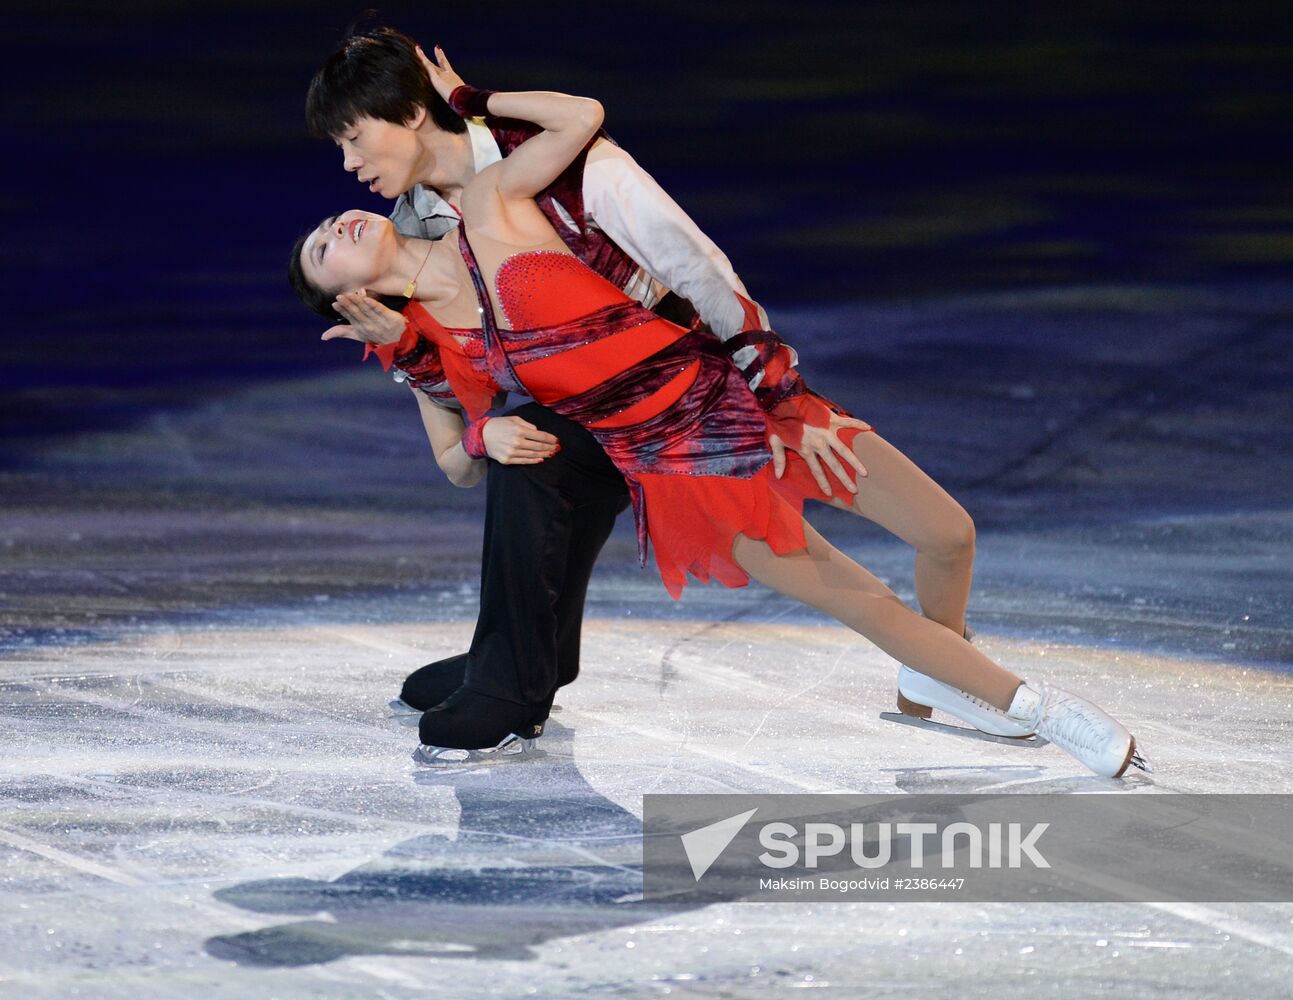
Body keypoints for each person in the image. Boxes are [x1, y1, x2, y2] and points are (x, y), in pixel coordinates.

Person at [290, 49, 1150, 778]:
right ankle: (1046, 713)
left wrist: (471, 98)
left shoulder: (487, 202)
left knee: (947, 531)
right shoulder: (425, 320)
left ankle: (940, 675)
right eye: (328, 242)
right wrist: (423, 369)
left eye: (350, 145)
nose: (345, 185)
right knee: (863, 600)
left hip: (728, 384)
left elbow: (653, 212)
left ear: (406, 115)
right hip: (671, 458)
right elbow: (458, 440)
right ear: (350, 293)